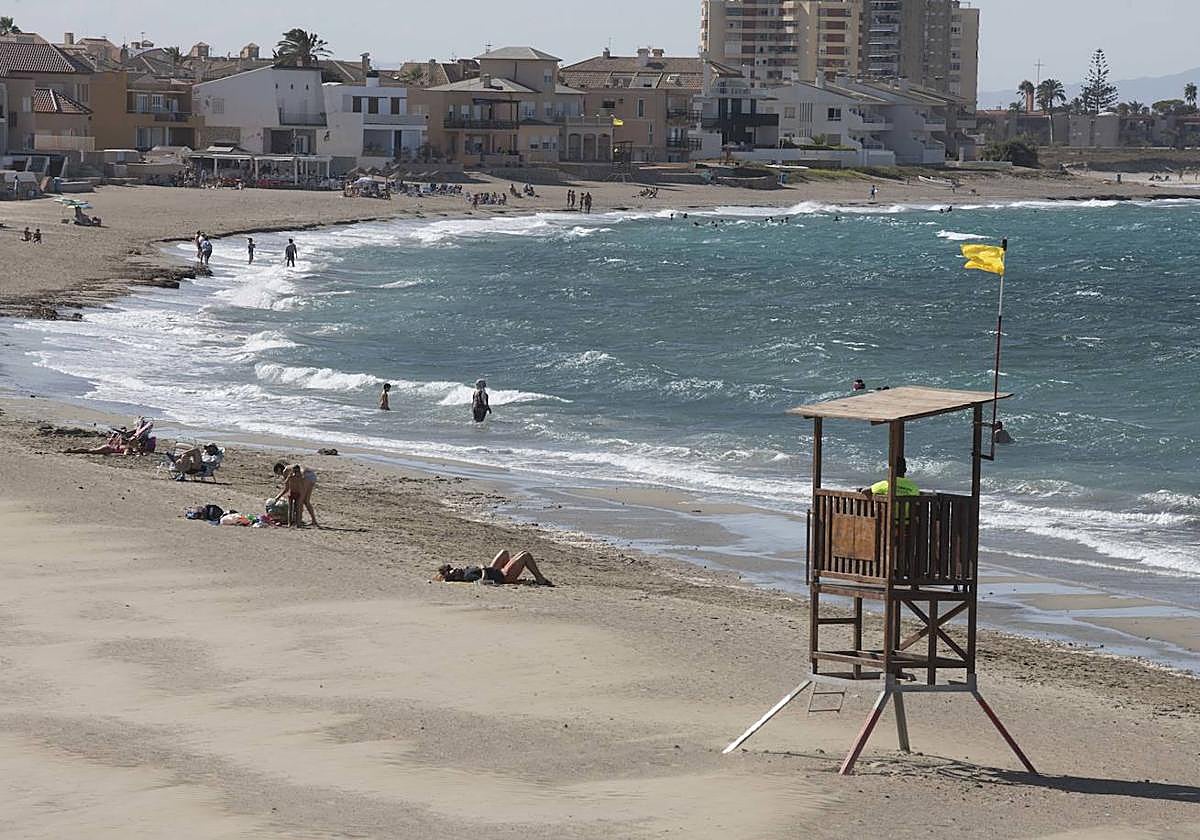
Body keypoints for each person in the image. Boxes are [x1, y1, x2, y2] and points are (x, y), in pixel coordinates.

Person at [436, 549, 553, 586]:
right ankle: (540, 579)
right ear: (455, 576)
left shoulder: (464, 571)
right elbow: (484, 582)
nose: (456, 569)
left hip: (494, 570)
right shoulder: (467, 576)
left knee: (504, 552)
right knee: (525, 555)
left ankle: (513, 571)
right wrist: (483, 569)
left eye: (453, 568)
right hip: (503, 576)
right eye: (454, 571)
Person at [273, 461, 318, 527]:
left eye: (278, 473)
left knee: (300, 501)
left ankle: (298, 522)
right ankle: (313, 521)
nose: (280, 475)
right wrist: (278, 497)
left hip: (306, 476)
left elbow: (286, 488)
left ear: (279, 469)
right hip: (312, 476)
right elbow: (287, 488)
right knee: (306, 501)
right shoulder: (290, 470)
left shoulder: (286, 470)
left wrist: (277, 497)